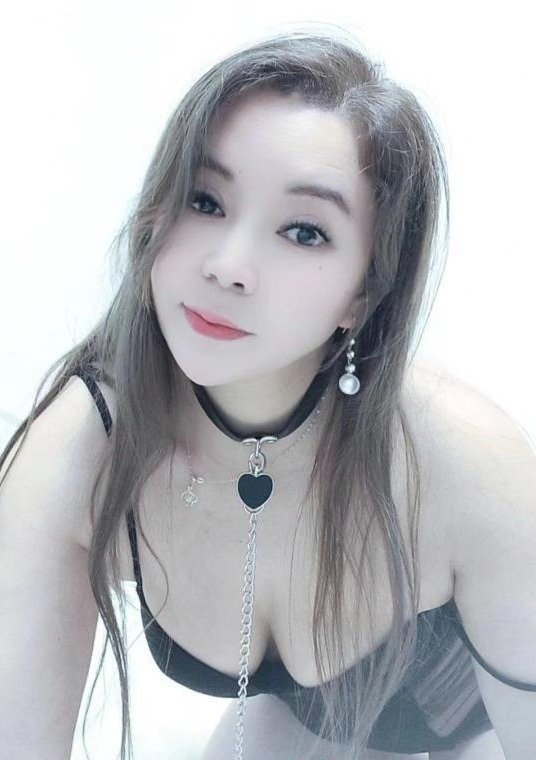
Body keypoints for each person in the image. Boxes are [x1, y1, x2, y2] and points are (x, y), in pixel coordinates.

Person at [1, 27, 535, 760]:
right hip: (300, 734)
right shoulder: (72, 456)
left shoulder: (466, 460)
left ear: (365, 291)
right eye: (205, 201)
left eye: (304, 232)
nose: (229, 265)